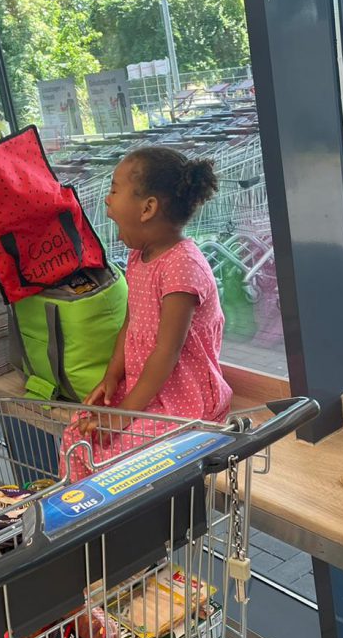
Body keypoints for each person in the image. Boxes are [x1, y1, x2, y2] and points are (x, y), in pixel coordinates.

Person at [61, 146, 231, 477]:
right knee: (77, 436)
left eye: (113, 190)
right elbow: (131, 322)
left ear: (148, 208)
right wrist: (112, 376)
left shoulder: (182, 266)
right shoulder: (140, 257)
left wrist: (122, 416)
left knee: (116, 463)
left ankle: (116, 525)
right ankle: (86, 521)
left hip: (185, 402)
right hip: (146, 390)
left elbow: (166, 353)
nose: (107, 201)